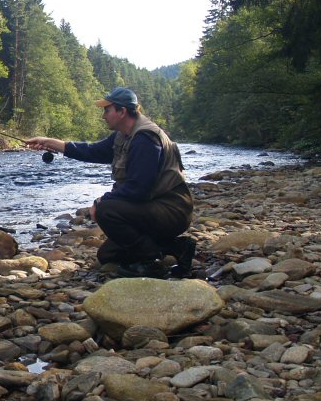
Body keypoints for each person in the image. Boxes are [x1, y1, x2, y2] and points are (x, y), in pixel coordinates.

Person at [25, 87, 195, 277]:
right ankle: (178, 247)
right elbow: (92, 151)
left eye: (107, 110)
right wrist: (51, 142)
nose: (103, 116)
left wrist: (101, 201)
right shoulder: (123, 135)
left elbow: (138, 189)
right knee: (108, 255)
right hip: (152, 208)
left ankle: (150, 259)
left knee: (107, 210)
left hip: (172, 211)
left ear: (122, 111)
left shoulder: (145, 139)